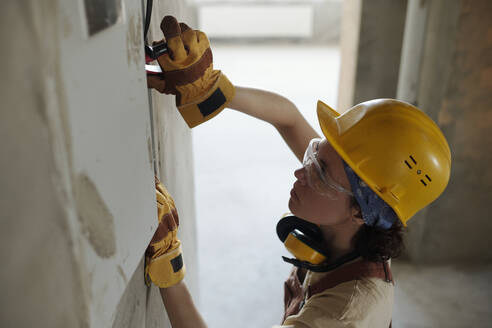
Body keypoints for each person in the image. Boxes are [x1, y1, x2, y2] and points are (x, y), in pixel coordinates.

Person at [144, 16, 452, 328]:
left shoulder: (344, 313)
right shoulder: (357, 222)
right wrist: (212, 91)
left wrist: (169, 264)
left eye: (320, 172)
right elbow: (288, 118)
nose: (300, 173)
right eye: (314, 153)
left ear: (360, 211)